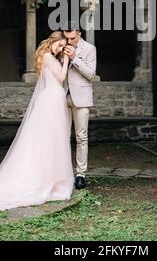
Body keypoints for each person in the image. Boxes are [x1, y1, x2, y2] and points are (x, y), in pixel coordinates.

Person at [0, 32, 74, 211]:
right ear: (52, 42)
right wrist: (67, 60)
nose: (60, 49)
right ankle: (43, 179)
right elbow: (61, 79)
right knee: (48, 140)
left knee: (52, 141)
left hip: (52, 99)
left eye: (63, 47)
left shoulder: (49, 58)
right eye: (59, 45)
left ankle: (53, 178)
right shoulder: (48, 57)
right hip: (51, 101)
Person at [61, 21, 97, 190]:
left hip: (81, 98)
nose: (69, 42)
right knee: (62, 137)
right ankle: (64, 172)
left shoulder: (90, 49)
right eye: (66, 38)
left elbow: (91, 74)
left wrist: (75, 58)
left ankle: (80, 174)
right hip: (62, 97)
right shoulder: (62, 46)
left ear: (79, 34)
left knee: (81, 137)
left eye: (72, 38)